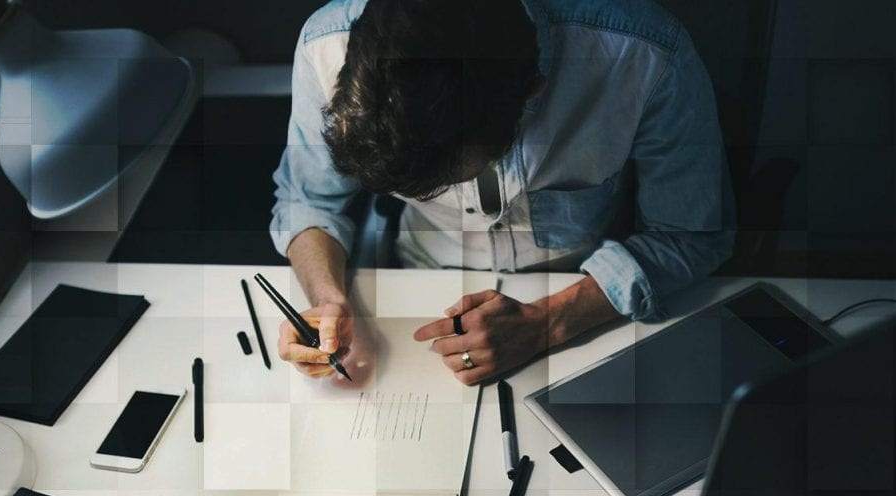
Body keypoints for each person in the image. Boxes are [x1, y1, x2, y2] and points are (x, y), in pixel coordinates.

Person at [271, 0, 735, 385]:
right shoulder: (325, 46)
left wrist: (548, 323)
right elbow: (307, 201)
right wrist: (327, 297)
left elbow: (691, 233)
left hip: (584, 289)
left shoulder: (643, 53)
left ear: (532, 93)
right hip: (416, 279)